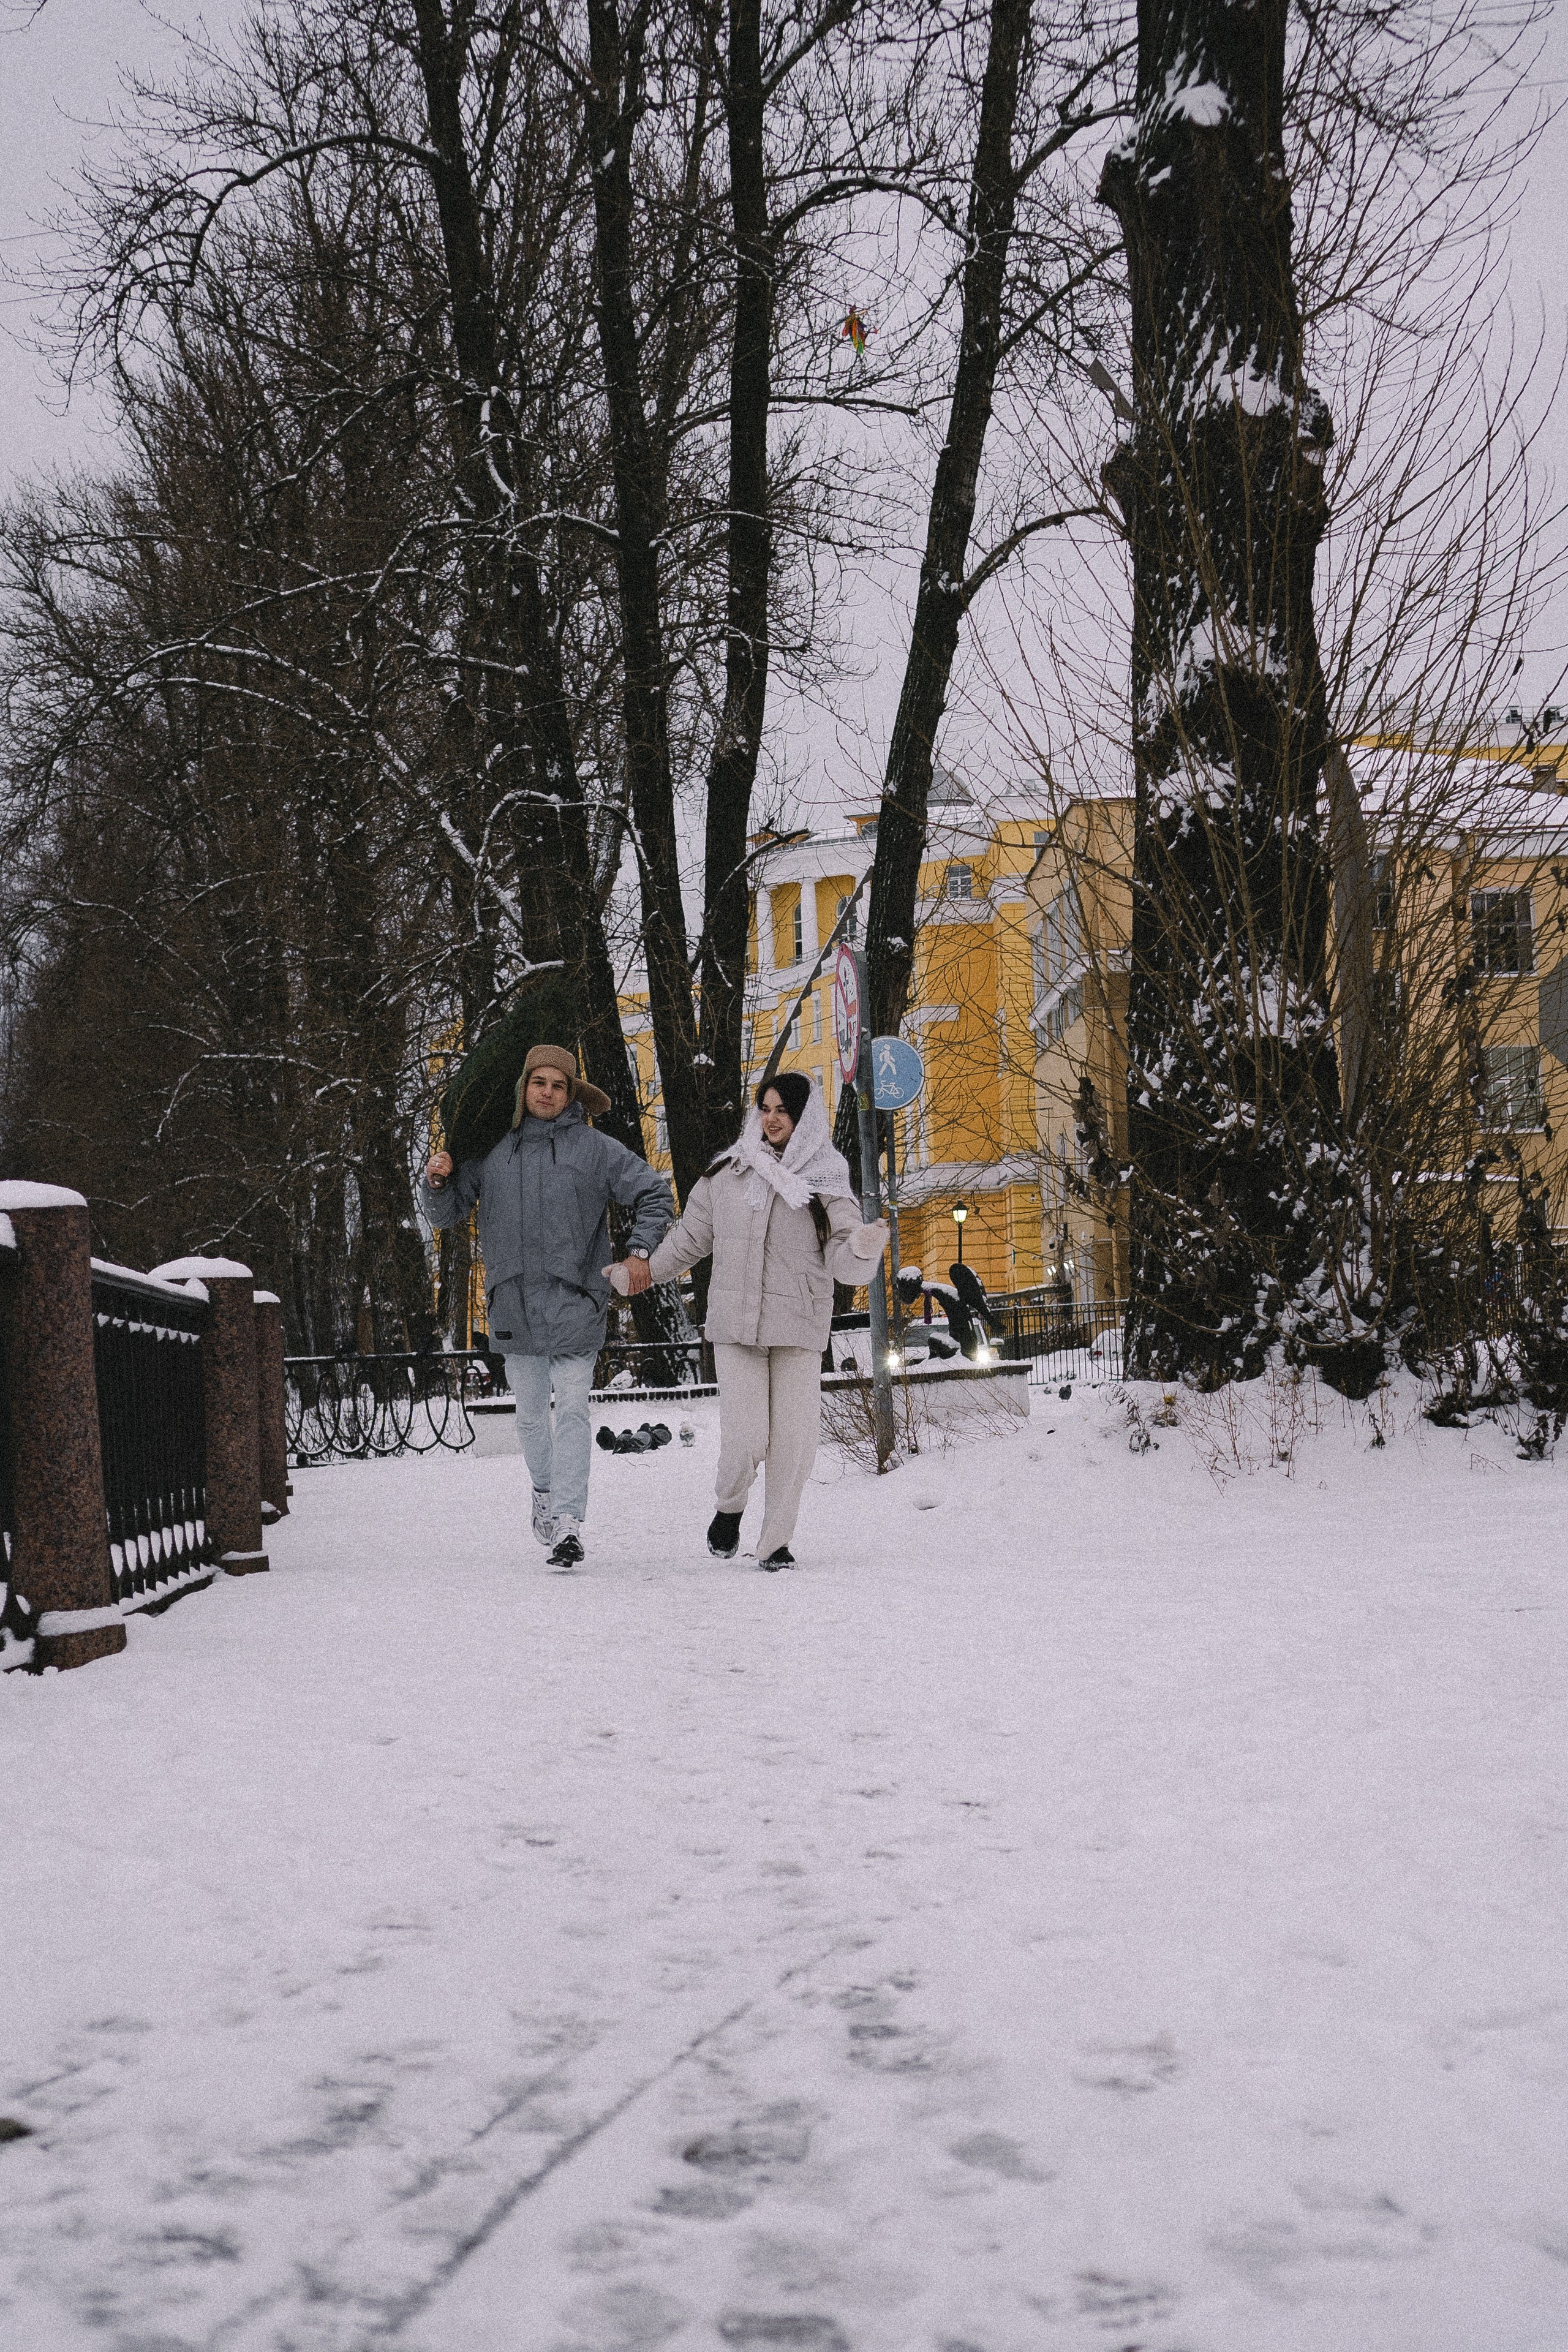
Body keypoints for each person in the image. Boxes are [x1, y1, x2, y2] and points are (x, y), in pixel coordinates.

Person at [607, 1071, 888, 1570]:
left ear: (804, 1120)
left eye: (784, 1111)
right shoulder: (727, 1173)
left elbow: (844, 1260)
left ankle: (775, 1541)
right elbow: (690, 1239)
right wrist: (645, 1272)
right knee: (745, 1437)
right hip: (736, 1328)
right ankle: (730, 1505)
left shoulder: (826, 1178)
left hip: (798, 1327)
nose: (772, 1119)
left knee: (795, 1442)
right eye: (766, 1108)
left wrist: (864, 1250)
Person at [422, 1043, 672, 1569]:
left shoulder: (594, 1149)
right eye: (540, 1083)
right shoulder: (494, 1150)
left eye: (559, 1086)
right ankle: (543, 1491)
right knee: (533, 1417)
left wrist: (639, 1252)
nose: (548, 1093)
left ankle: (568, 1522)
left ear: (571, 1093)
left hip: (577, 1301)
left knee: (575, 1407)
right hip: (513, 1305)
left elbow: (654, 1193)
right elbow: (447, 1216)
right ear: (524, 1088)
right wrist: (438, 1180)